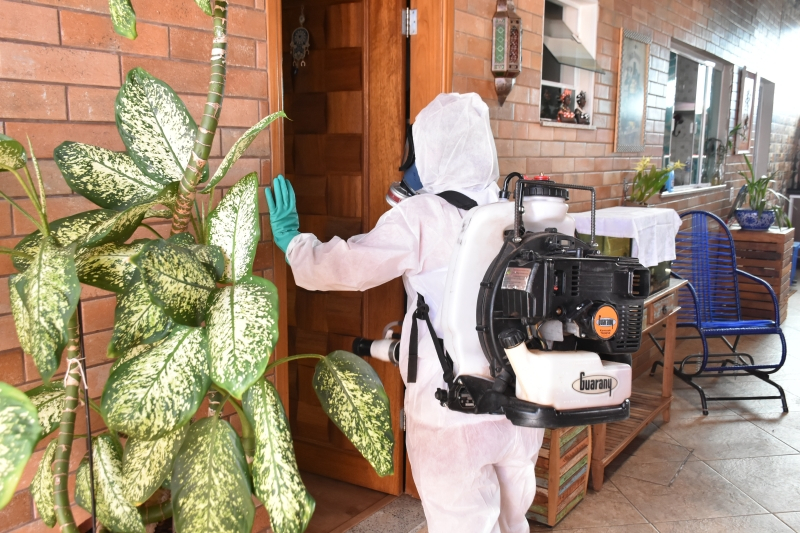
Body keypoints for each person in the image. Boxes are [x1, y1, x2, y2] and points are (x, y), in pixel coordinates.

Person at [266, 93, 544, 533]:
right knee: (513, 522)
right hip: (520, 405)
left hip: (451, 412)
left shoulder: (424, 216)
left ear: (430, 150)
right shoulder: (517, 209)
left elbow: (349, 267)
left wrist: (294, 242)